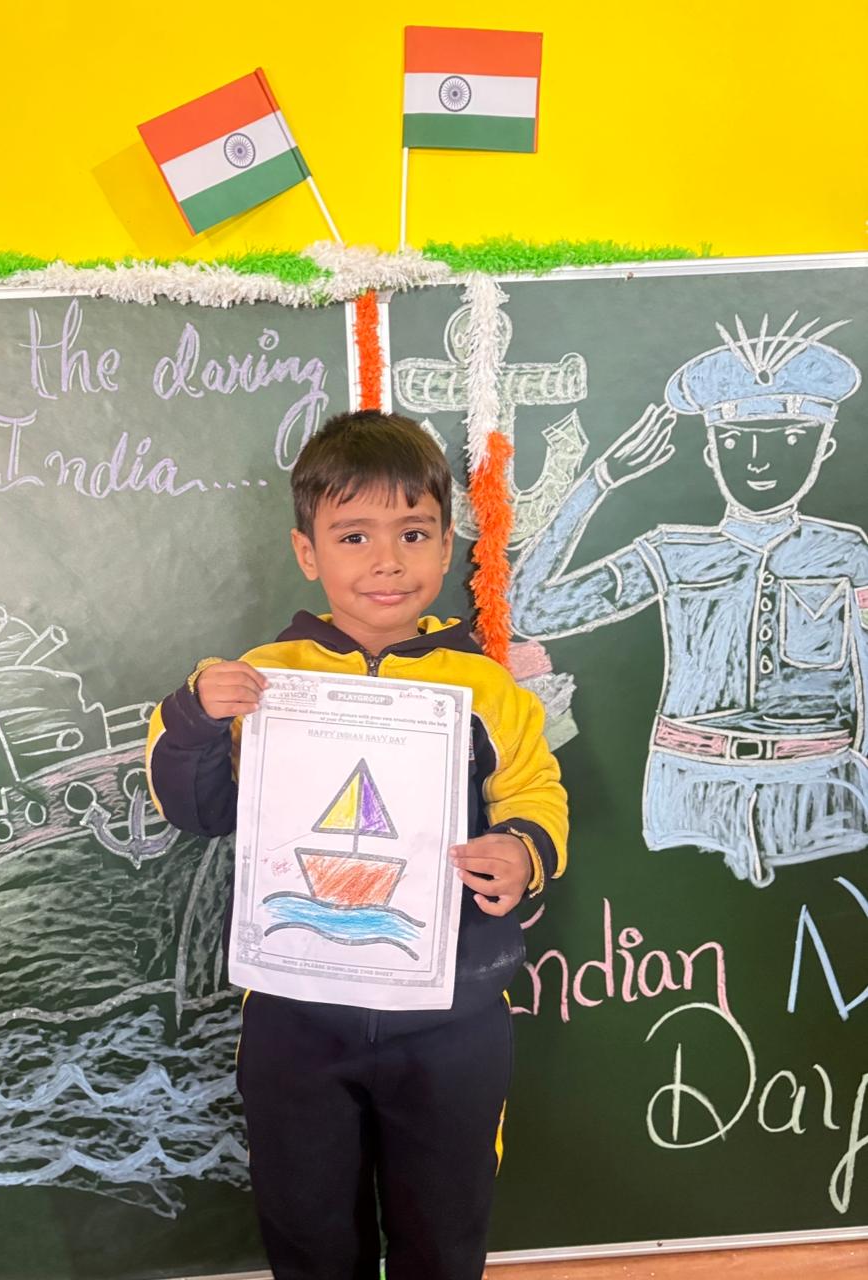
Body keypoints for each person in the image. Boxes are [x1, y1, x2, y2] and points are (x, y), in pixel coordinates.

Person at [146, 410, 567, 1280]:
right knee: (306, 1224)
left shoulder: (486, 688)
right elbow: (197, 810)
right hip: (295, 1013)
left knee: (443, 1226)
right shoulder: (260, 678)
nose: (387, 561)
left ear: (446, 547)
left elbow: (534, 789)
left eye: (413, 533)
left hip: (452, 1016)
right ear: (307, 552)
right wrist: (192, 717)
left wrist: (523, 849)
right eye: (353, 536)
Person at [510, 316, 867, 887]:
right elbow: (530, 611)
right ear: (711, 453)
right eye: (734, 441)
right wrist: (599, 481)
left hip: (821, 786)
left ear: (824, 447)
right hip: (691, 787)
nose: (758, 461)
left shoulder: (847, 553)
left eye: (789, 439)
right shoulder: (674, 553)